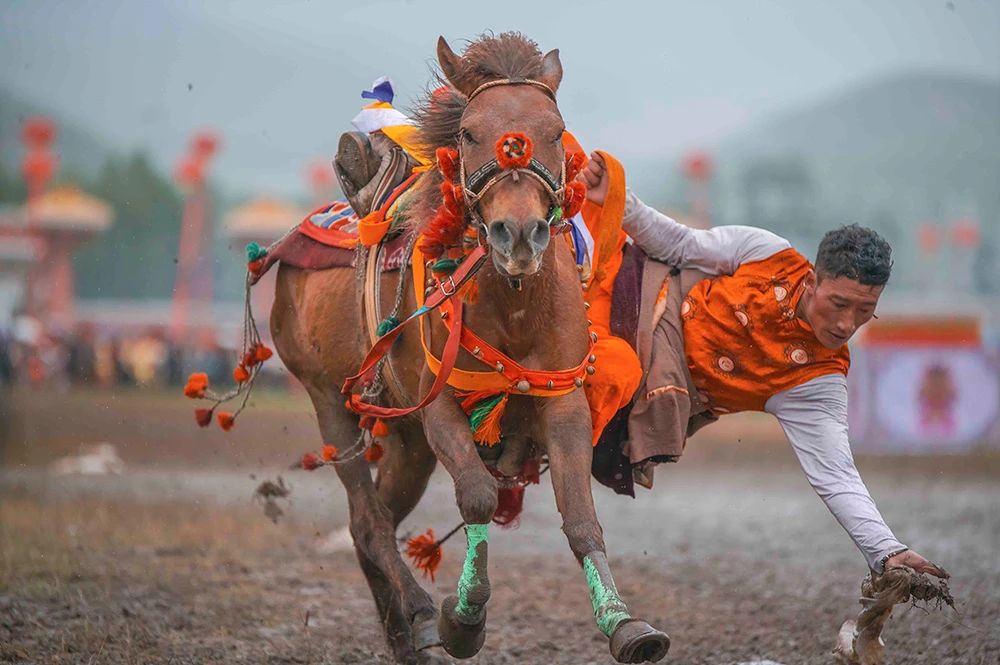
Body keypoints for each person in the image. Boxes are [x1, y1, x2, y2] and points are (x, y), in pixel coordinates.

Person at [578, 152, 947, 578]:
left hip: (658, 386)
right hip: (642, 293)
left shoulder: (819, 381)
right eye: (839, 304)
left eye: (866, 311)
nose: (847, 323)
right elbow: (680, 244)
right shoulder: (767, 252)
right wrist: (620, 202)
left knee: (606, 378)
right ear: (812, 281)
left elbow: (837, 475)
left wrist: (885, 550)